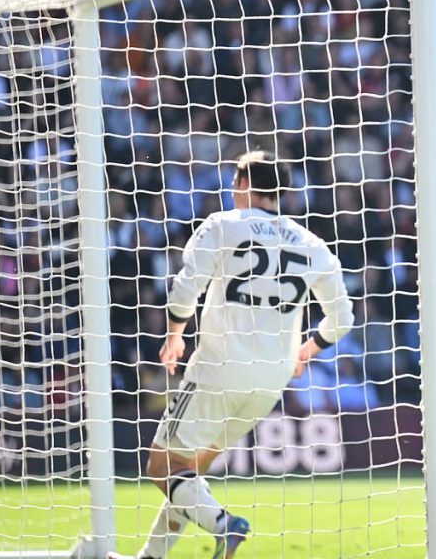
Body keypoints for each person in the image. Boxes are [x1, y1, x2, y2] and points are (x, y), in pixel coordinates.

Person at [109, 151, 354, 559]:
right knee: (190, 474)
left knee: (162, 467)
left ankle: (226, 526)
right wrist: (307, 350)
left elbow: (187, 287)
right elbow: (342, 317)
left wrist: (174, 334)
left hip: (219, 368)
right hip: (270, 381)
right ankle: (151, 557)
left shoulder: (224, 224)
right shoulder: (313, 246)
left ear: (242, 183)